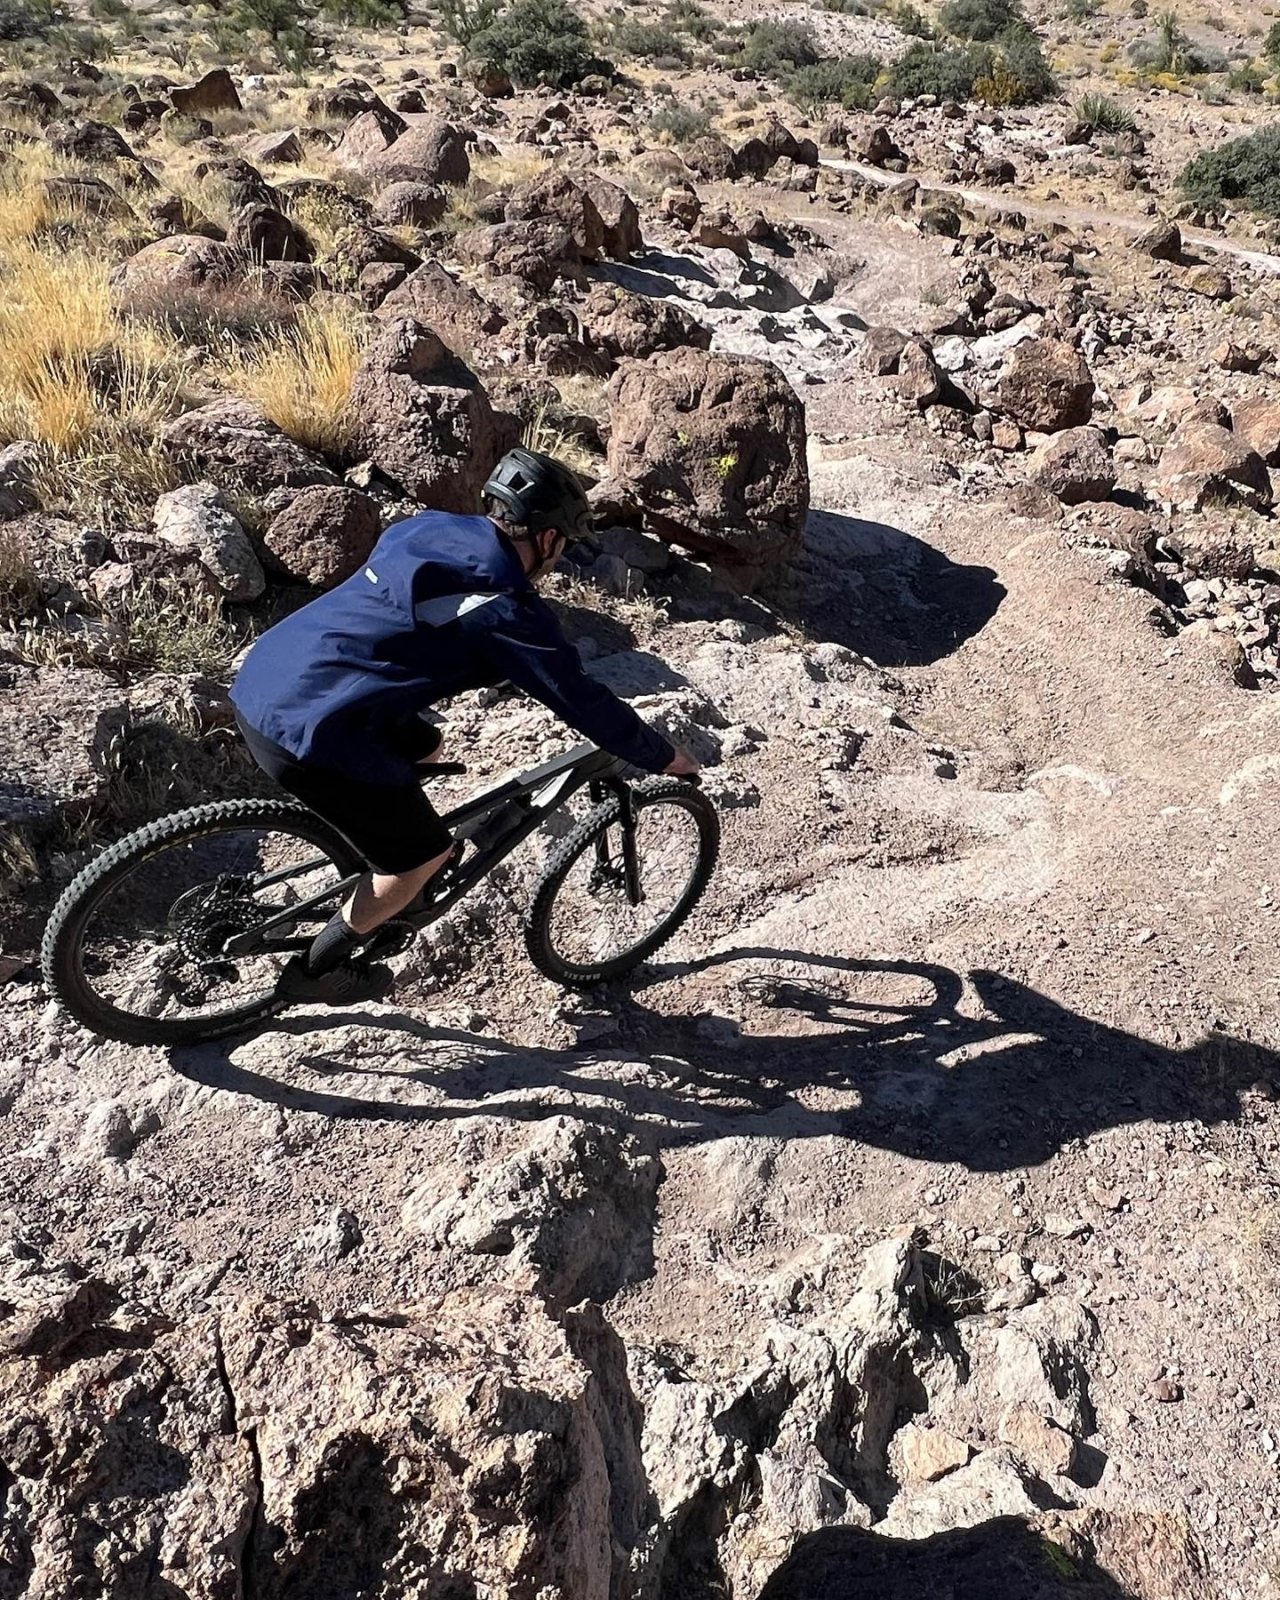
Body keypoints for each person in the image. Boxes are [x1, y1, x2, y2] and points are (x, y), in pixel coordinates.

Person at [230, 447, 701, 1003]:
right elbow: (580, 699)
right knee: (420, 857)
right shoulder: (503, 604)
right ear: (549, 538)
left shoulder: (428, 526)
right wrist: (662, 755)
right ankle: (318, 970)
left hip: (267, 676)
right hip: (311, 727)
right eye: (565, 546)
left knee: (426, 744)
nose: (558, 561)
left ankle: (383, 850)